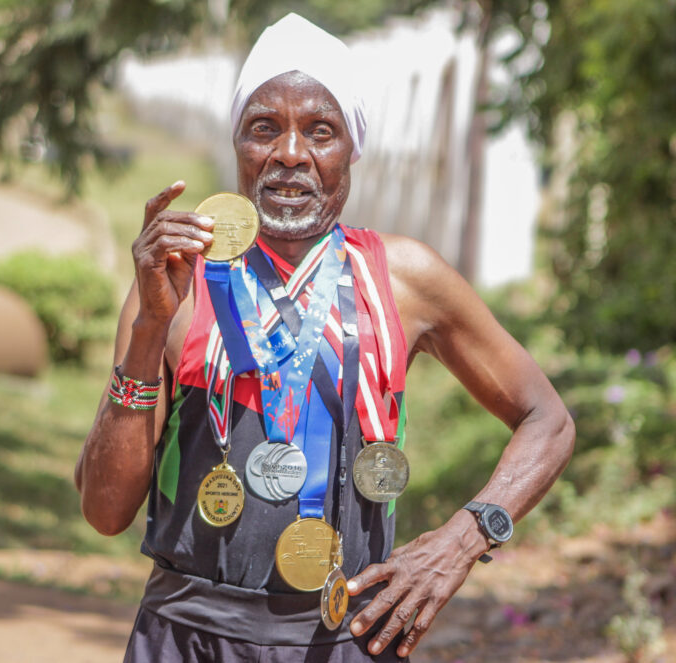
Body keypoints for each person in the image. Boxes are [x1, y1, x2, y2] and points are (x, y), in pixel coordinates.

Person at [74, 13, 575, 663]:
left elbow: (549, 420)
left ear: (351, 149)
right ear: (237, 146)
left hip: (344, 638)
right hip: (186, 633)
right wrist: (148, 325)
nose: (288, 152)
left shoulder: (406, 279)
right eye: (263, 127)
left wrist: (462, 539)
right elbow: (106, 508)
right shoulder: (180, 280)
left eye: (319, 130)